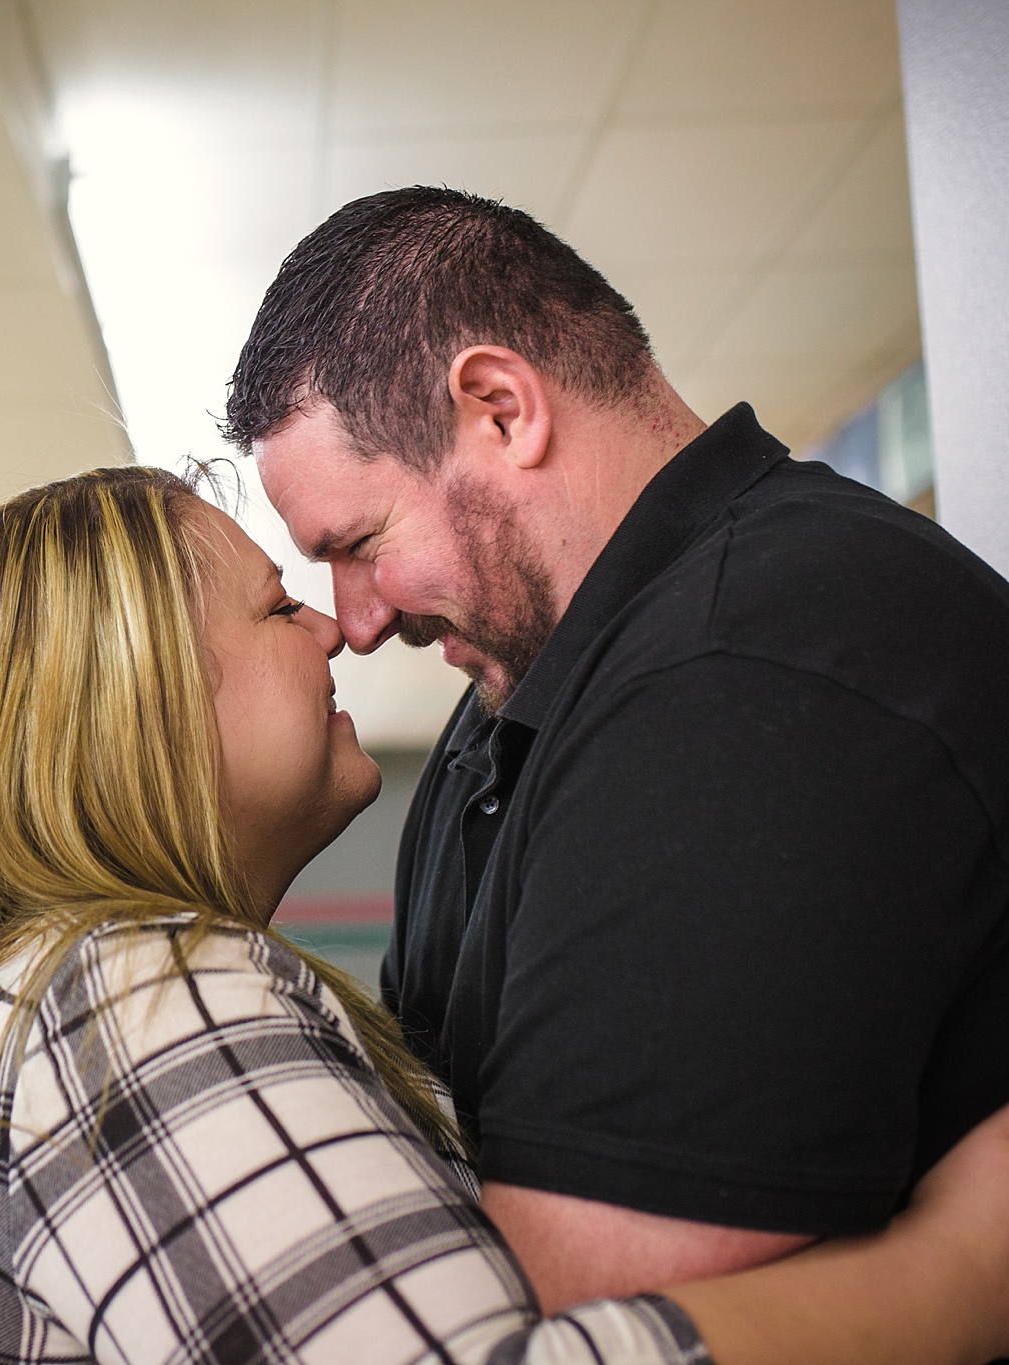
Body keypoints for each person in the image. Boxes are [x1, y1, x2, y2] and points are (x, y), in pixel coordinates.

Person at [0, 465, 1009, 1365]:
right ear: (150, 703)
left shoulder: (41, 991)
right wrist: (960, 1260)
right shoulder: (133, 1002)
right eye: (274, 607)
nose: (339, 627)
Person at [222, 186, 1009, 1311]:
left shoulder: (745, 676)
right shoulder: (510, 702)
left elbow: (583, 1330)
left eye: (358, 543)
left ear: (499, 408)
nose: (353, 622)